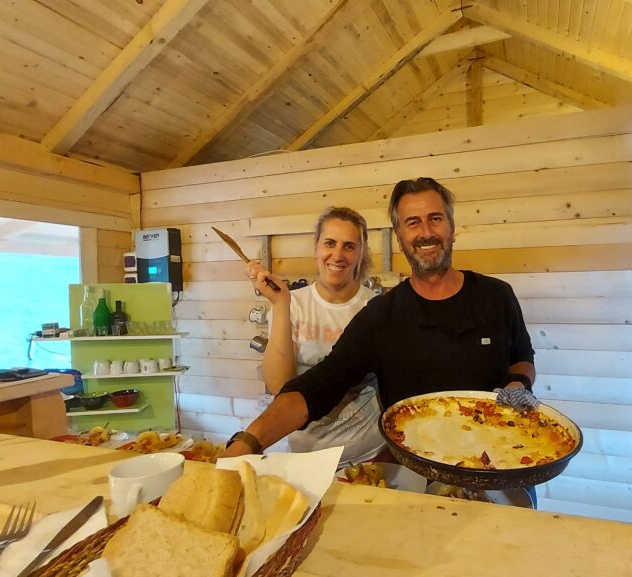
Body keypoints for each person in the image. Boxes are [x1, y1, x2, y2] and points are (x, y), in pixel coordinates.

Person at [223, 177, 539, 458]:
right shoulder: (380, 315)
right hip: (415, 466)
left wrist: (519, 384)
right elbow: (318, 386)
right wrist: (248, 441)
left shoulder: (497, 296)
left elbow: (522, 357)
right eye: (412, 222)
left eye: (435, 219)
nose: (426, 232)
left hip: (500, 455)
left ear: (452, 229)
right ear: (400, 237)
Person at [247, 206, 385, 466]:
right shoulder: (292, 304)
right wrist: (280, 305)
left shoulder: (376, 308)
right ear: (316, 247)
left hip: (368, 456)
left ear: (360, 253)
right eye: (330, 243)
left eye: (349, 246)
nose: (337, 254)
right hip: (305, 455)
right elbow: (279, 386)